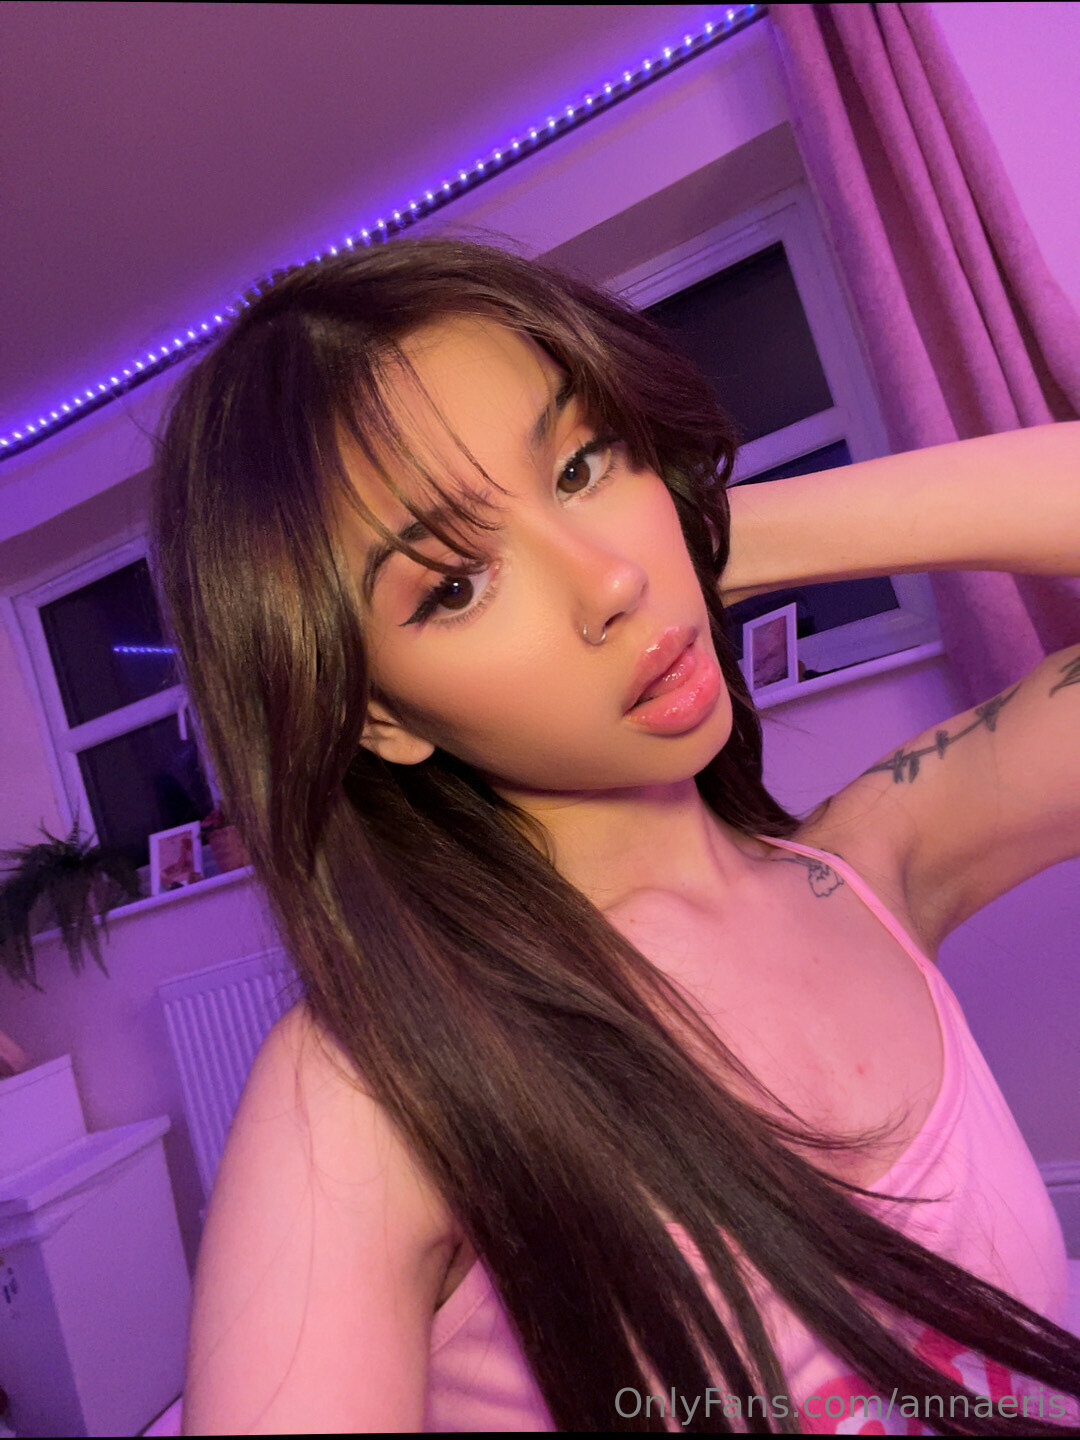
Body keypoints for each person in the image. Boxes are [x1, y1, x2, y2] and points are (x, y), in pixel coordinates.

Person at [150, 238, 1080, 1434]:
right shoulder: (368, 1090)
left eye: (584, 462)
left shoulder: (871, 865)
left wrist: (709, 531)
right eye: (454, 584)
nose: (608, 584)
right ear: (377, 715)